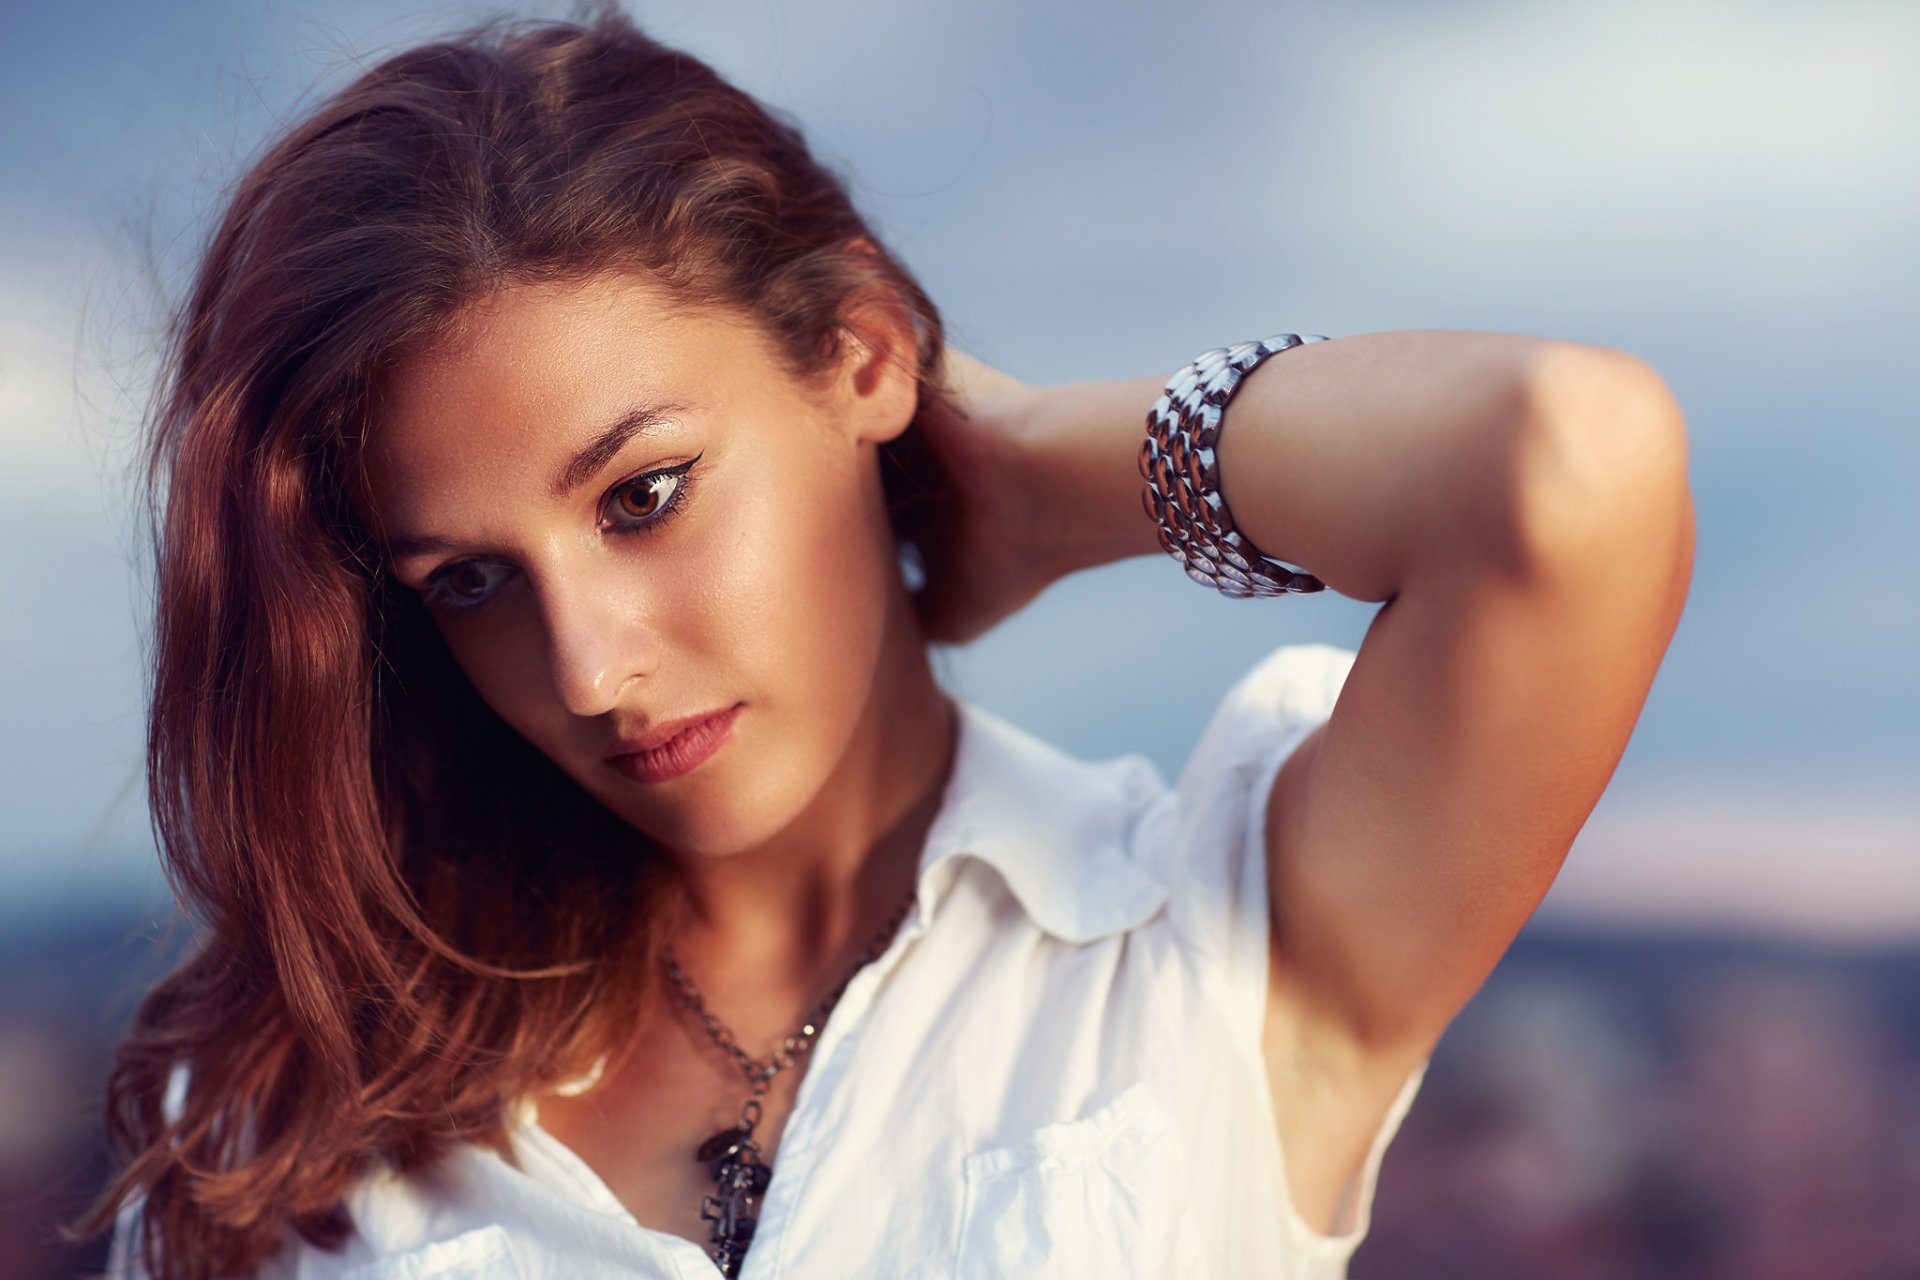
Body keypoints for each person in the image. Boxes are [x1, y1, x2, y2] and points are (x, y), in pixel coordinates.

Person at [68, 6, 1694, 1279]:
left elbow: (1567, 463)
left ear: (860, 351)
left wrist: (1050, 477)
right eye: (469, 582)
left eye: (644, 496)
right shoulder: (285, 1131)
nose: (587, 670)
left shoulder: (1214, 939)